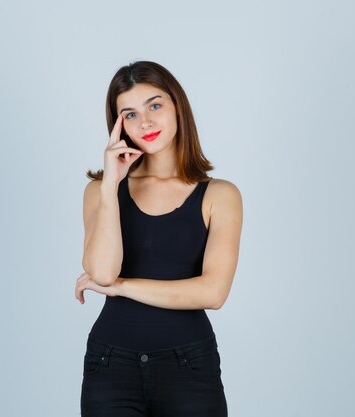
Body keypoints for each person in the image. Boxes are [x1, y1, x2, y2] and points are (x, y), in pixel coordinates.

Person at [75, 60, 243, 417]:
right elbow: (103, 272)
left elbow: (213, 293)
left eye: (155, 105)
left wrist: (123, 287)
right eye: (130, 114)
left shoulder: (219, 195)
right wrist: (110, 185)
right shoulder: (100, 192)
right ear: (118, 125)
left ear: (177, 106)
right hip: (110, 367)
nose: (146, 122)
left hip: (189, 368)